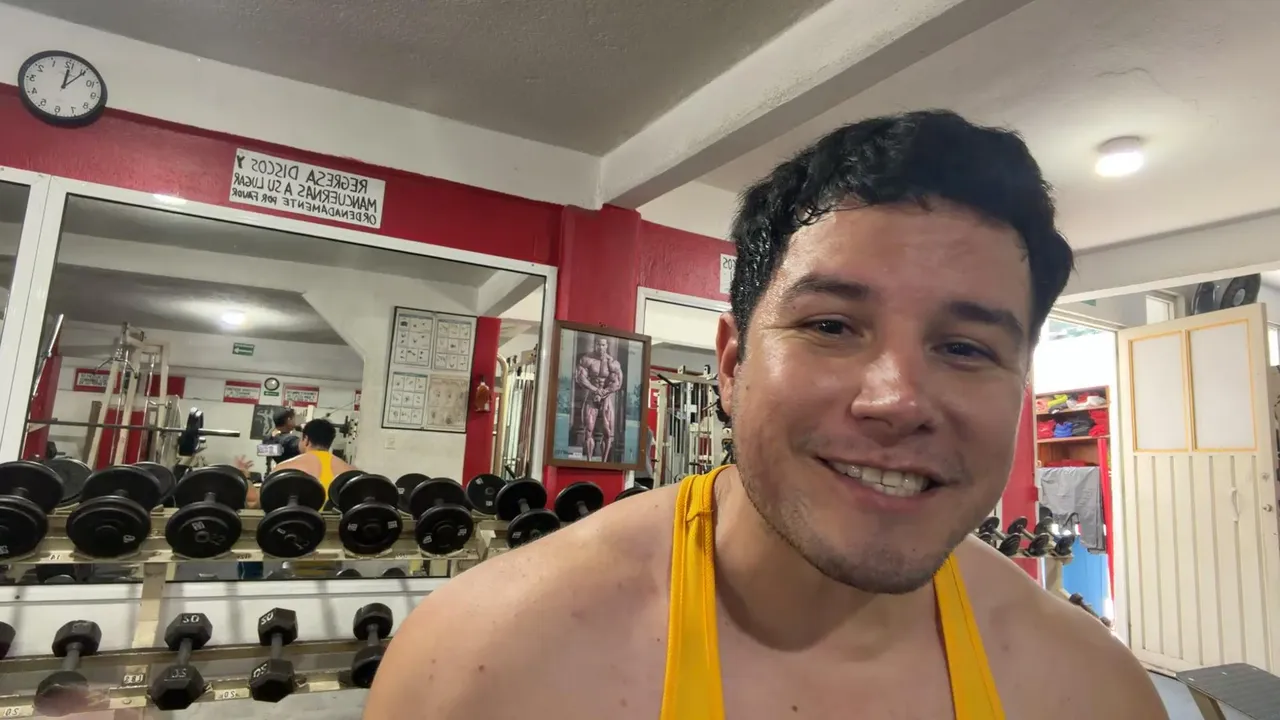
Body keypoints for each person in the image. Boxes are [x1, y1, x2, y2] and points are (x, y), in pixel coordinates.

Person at [364, 111, 1167, 719]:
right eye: (832, 327)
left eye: (964, 348)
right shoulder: (485, 668)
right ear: (732, 364)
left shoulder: (1088, 689)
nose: (897, 401)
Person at [268, 418, 355, 492]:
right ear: (330, 442)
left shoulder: (281, 469)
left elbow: (264, 500)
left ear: (306, 440)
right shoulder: (351, 472)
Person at [574, 335, 623, 461]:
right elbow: (580, 378)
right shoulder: (587, 360)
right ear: (595, 345)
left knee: (608, 432)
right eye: (598, 344)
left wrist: (605, 391)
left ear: (607, 346)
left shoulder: (613, 363)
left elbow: (617, 382)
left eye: (603, 345)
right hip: (592, 396)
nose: (601, 347)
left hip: (606, 398)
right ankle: (589, 460)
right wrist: (595, 390)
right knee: (588, 429)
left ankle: (604, 461)